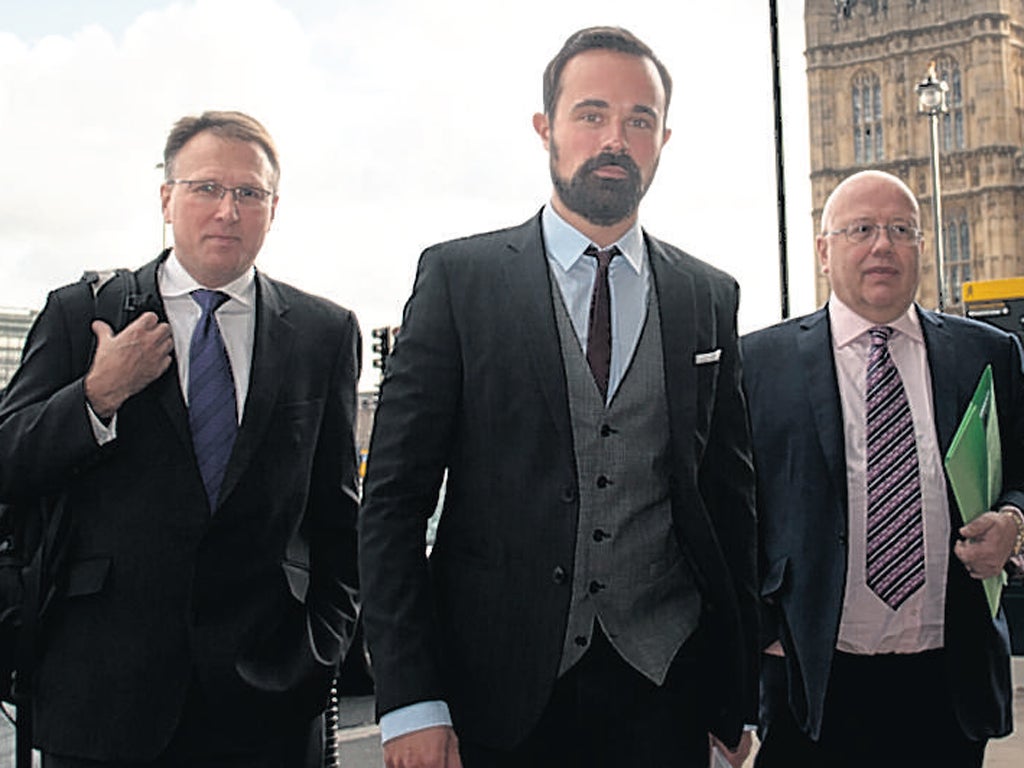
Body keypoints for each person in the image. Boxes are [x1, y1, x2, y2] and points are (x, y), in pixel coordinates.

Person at [359, 26, 757, 768]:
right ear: (546, 128)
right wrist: (410, 696)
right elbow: (392, 502)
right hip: (495, 697)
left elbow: (728, 502)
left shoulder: (707, 295)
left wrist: (734, 694)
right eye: (591, 114)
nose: (616, 138)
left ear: (664, 138)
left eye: (640, 119)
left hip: (664, 687)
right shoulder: (459, 280)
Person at [0, 110, 362, 767]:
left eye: (248, 193)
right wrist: (95, 397)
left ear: (272, 210)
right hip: (102, 703)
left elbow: (339, 518)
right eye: (206, 188)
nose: (227, 210)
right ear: (166, 199)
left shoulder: (323, 333)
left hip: (267, 703)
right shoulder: (85, 313)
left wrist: (320, 647)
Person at [742, 169, 1024, 768]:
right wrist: (763, 635)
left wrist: (1014, 524)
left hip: (947, 684)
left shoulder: (987, 354)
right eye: (861, 229)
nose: (882, 246)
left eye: (901, 230)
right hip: (812, 683)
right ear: (823, 250)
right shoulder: (757, 363)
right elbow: (731, 510)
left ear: (924, 246)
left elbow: (1021, 474)